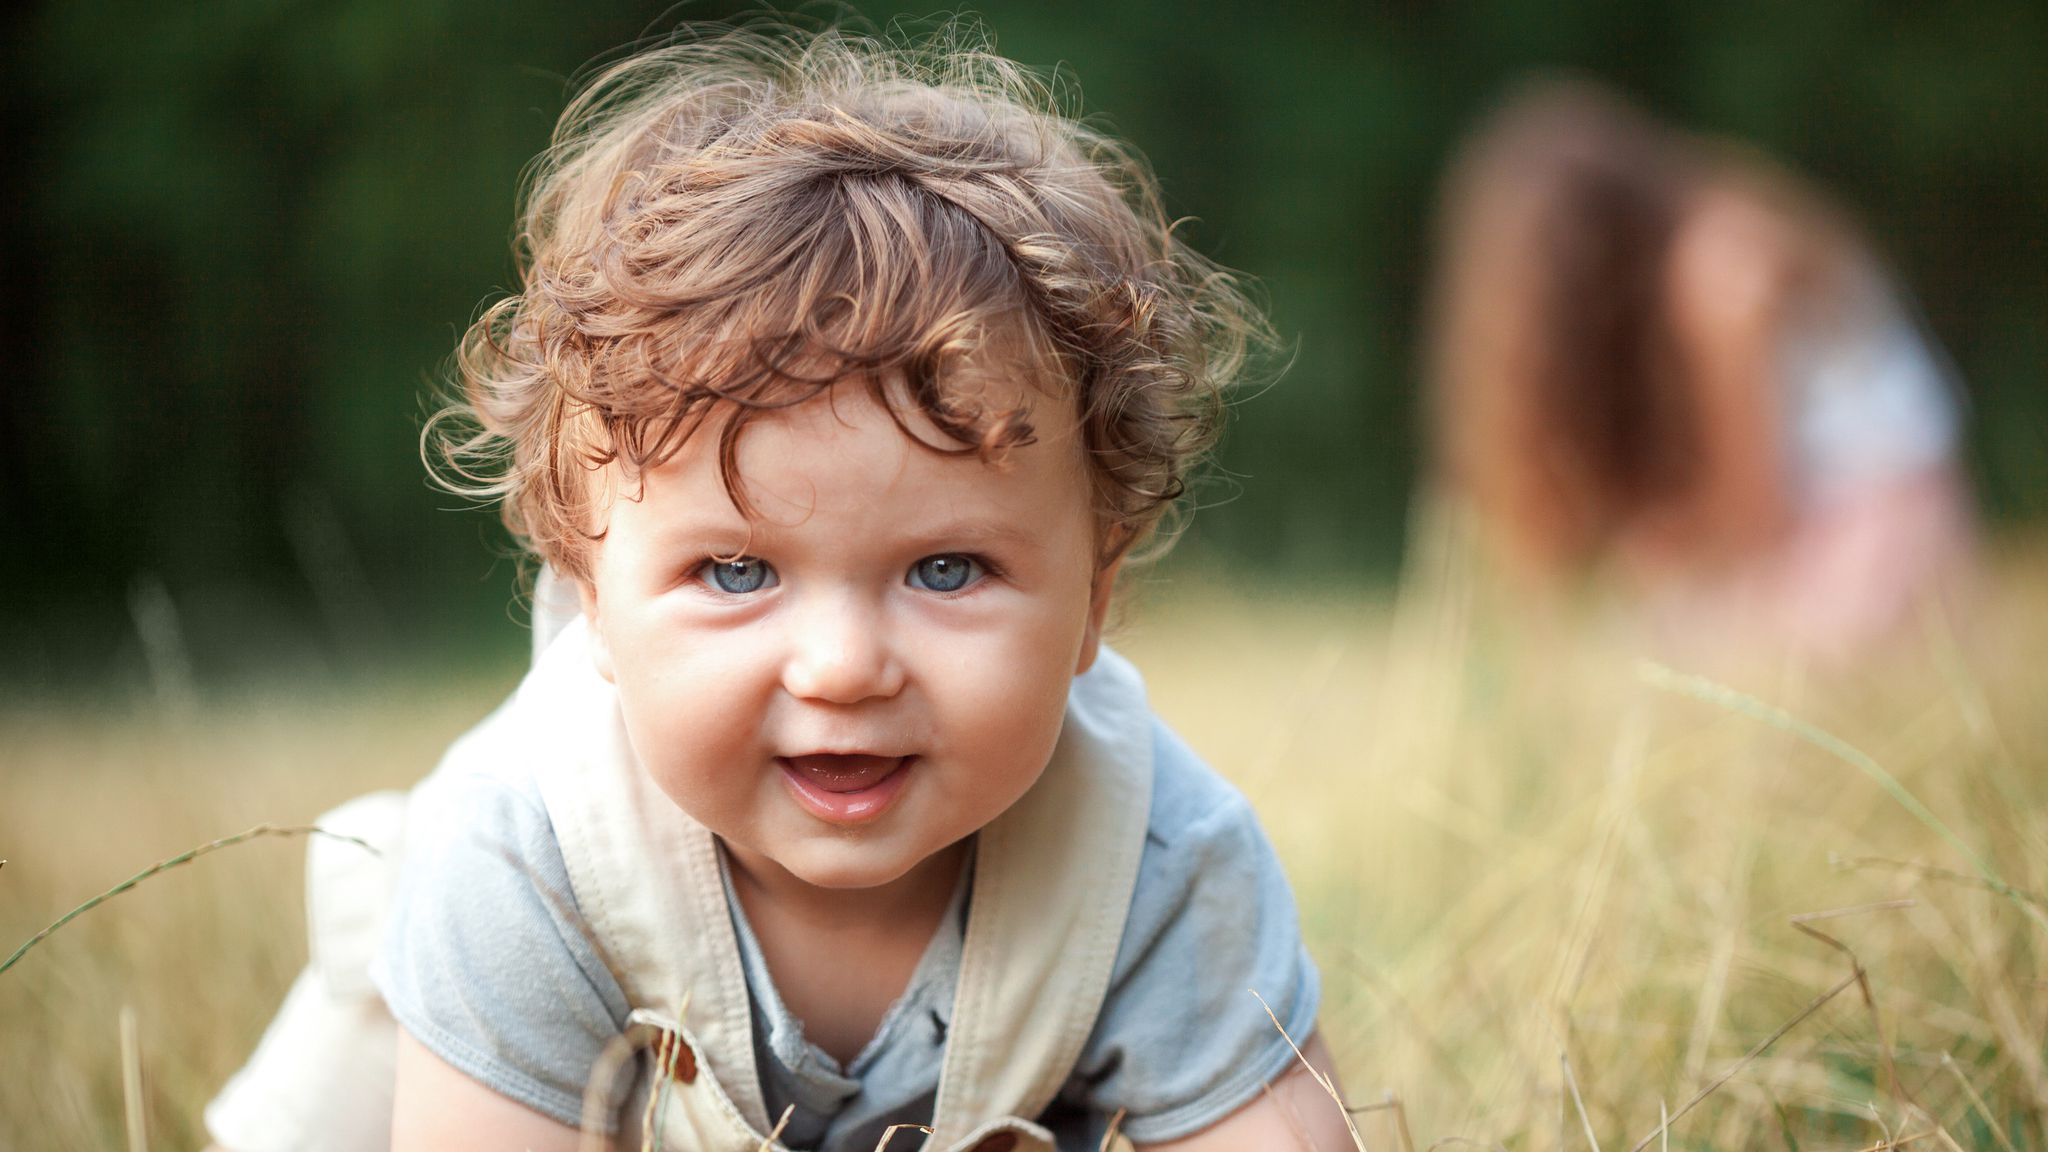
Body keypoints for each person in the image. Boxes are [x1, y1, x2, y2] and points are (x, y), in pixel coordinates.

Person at [204, 23, 1349, 1152]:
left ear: (1094, 596)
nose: (842, 667)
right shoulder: (521, 861)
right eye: (737, 571)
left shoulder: (1161, 857)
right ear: (586, 592)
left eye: (946, 569)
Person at [1424, 77, 1973, 659]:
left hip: (1879, 544)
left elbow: (1753, 528)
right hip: (1869, 528)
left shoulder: (1721, 277)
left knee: (1675, 645)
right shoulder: (1717, 240)